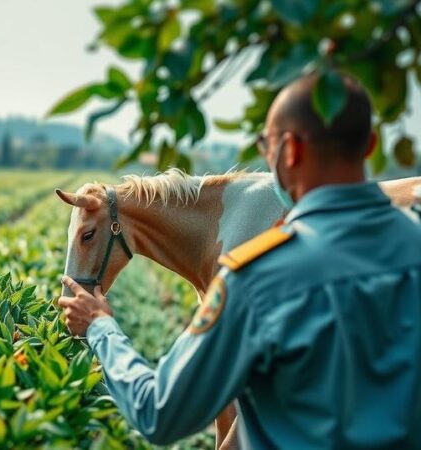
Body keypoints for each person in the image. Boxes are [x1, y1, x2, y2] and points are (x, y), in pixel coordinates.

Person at [57, 72, 421, 449]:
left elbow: (159, 413)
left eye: (267, 144)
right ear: (370, 145)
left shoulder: (258, 278)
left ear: (290, 151)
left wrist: (100, 327)